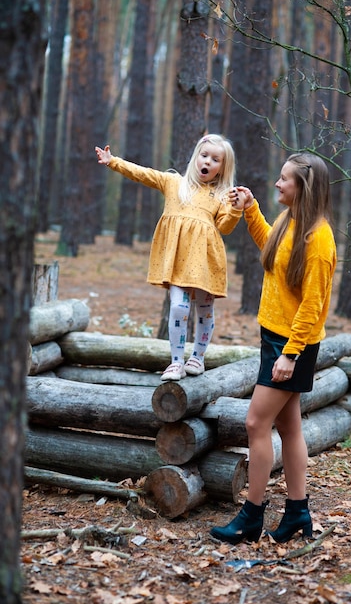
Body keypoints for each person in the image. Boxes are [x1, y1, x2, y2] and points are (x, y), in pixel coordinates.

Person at [210, 152, 337, 545]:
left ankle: (252, 514)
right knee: (288, 425)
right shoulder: (291, 221)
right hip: (276, 338)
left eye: (285, 179)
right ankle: (298, 511)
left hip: (292, 344)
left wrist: (290, 354)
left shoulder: (319, 240)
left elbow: (313, 306)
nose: (278, 184)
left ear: (304, 188)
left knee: (255, 423)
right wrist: (251, 211)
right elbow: (273, 251)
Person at [95, 135, 242, 382]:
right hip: (177, 260)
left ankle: (198, 357)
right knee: (178, 306)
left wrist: (237, 208)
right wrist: (113, 161)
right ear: (196, 157)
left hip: (205, 259)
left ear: (222, 167)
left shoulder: (222, 195)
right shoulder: (175, 183)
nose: (208, 161)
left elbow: (225, 227)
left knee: (204, 309)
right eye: (204, 155)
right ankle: (176, 362)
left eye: (215, 159)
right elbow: (143, 174)